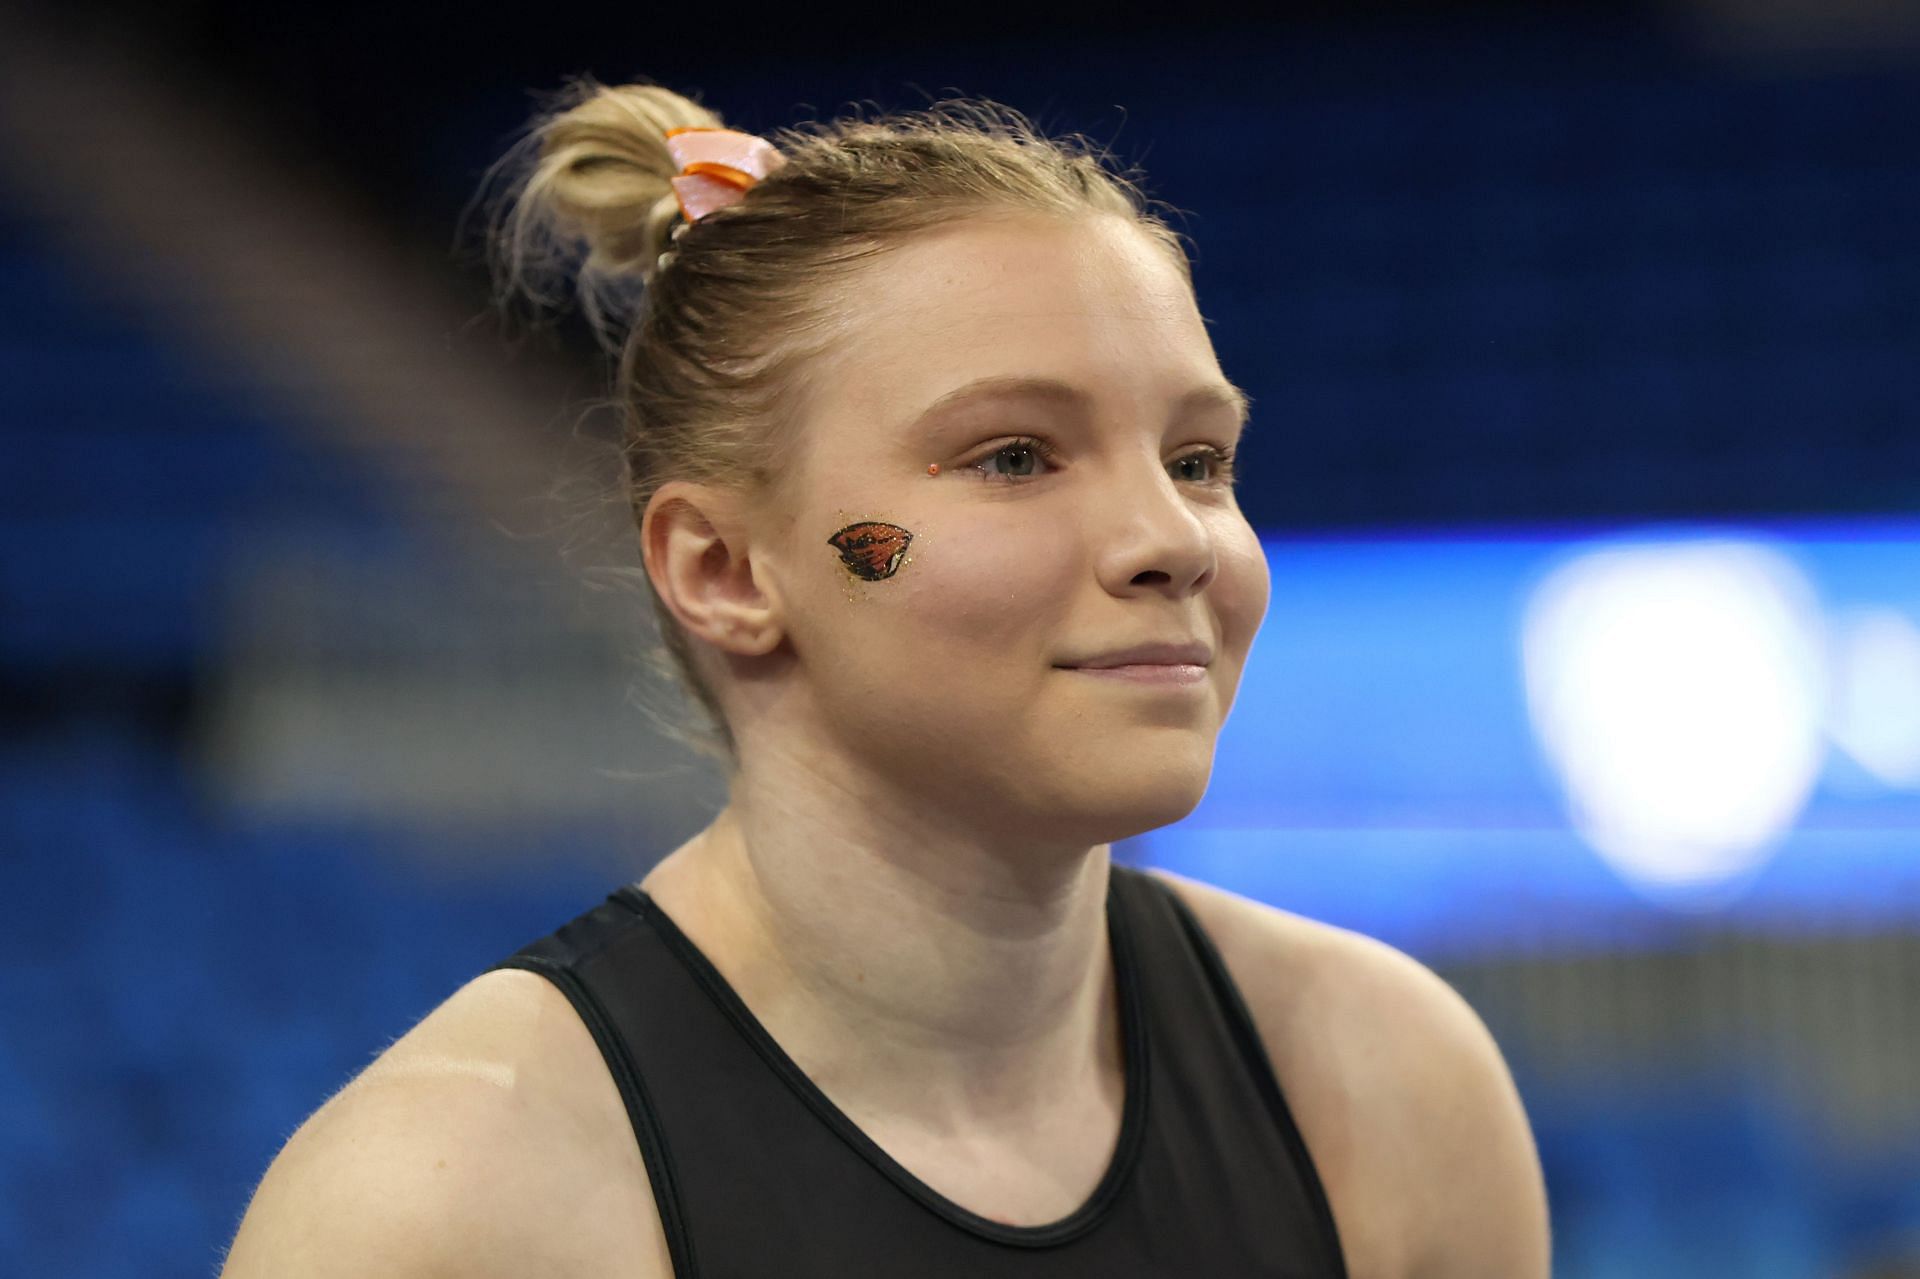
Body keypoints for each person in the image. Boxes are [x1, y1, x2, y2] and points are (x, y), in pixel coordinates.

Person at [219, 79, 1551, 1278]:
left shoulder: (1386, 1088)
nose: (1172, 542)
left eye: (1198, 461)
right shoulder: (450, 1205)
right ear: (726, 569)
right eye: (1015, 457)